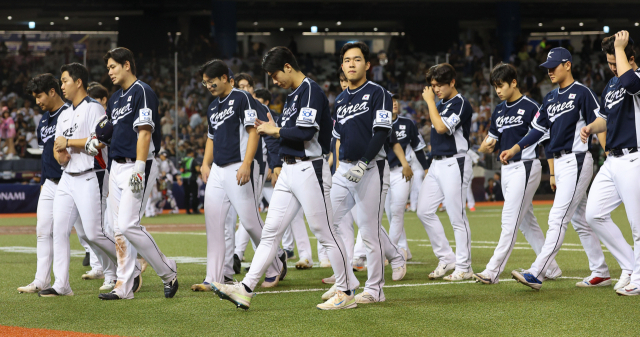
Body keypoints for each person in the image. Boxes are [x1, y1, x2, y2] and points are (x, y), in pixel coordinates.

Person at [211, 46, 358, 310]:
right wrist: (275, 135)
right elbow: (285, 131)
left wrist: (275, 129)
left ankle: (346, 291)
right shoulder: (291, 96)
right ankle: (245, 289)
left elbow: (304, 133)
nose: (274, 80)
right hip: (291, 170)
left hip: (309, 167)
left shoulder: (311, 90)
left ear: (288, 67)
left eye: (275, 74)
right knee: (270, 234)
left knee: (324, 231)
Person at [503, 47, 617, 291]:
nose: (550, 71)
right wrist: (515, 148)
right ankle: (600, 271)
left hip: (577, 159)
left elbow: (600, 122)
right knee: (580, 219)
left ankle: (537, 272)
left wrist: (608, 152)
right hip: (562, 162)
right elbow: (537, 129)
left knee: (558, 217)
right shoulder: (551, 97)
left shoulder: (582, 92)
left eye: (554, 66)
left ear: (567, 65)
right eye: (547, 68)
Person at [192, 59, 286, 293]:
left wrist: (246, 163)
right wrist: (205, 163)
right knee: (213, 222)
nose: (208, 86)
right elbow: (211, 138)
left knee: (250, 221)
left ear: (224, 77)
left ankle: (275, 264)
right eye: (205, 83)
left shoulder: (242, 97)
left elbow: (253, 131)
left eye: (210, 81)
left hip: (239, 166)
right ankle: (213, 278)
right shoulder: (213, 106)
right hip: (218, 170)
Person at [326, 41, 406, 304]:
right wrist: (336, 164)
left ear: (367, 65)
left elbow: (382, 131)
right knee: (327, 223)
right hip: (345, 168)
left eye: (357, 59)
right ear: (342, 65)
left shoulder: (378, 93)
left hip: (371, 168)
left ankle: (375, 290)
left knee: (369, 232)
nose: (351, 64)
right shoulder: (339, 99)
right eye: (347, 60)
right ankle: (346, 281)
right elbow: (336, 137)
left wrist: (363, 162)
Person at [97, 47, 177, 300]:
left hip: (137, 164)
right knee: (118, 230)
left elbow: (144, 131)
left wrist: (140, 168)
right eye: (108, 67)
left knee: (129, 225)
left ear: (127, 65)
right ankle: (124, 286)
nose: (109, 71)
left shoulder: (142, 91)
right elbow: (109, 131)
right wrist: (94, 142)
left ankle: (168, 272)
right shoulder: (116, 98)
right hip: (116, 165)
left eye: (113, 66)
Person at [472, 63, 561, 285]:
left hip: (526, 165)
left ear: (514, 82)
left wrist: (552, 173)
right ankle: (550, 266)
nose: (498, 91)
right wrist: (485, 146)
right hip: (507, 169)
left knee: (509, 220)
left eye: (501, 85)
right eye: (495, 87)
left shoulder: (531, 107)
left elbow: (546, 140)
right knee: (525, 221)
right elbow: (489, 140)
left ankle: (492, 271)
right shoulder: (499, 110)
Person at [38, 63, 118, 297]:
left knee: (94, 234)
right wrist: (59, 154)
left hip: (89, 175)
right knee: (59, 230)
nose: (61, 86)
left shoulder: (94, 108)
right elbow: (57, 147)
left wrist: (68, 144)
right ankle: (61, 284)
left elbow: (98, 143)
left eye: (64, 81)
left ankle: (129, 265)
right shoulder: (64, 114)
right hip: (67, 177)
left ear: (78, 82)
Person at [581, 31, 638, 295]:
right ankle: (630, 265)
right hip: (612, 159)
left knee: (637, 224)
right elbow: (605, 117)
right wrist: (591, 127)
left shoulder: (634, 77)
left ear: (630, 57)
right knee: (594, 213)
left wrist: (620, 47)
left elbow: (631, 82)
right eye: (609, 62)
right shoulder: (612, 85)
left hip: (634, 156)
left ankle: (638, 277)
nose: (612, 67)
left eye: (615, 61)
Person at [417, 64, 474, 281]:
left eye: (440, 84)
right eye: (433, 85)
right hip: (437, 163)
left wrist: (430, 102)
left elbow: (442, 129)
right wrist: (434, 103)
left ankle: (464, 266)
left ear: (452, 82)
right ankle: (447, 257)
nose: (436, 89)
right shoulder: (440, 103)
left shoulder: (461, 103)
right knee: (423, 210)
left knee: (456, 217)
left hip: (455, 162)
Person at [180, 148, 200, 214]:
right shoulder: (192, 160)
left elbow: (181, 169)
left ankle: (187, 210)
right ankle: (195, 210)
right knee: (194, 195)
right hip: (192, 178)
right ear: (191, 153)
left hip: (185, 178)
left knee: (187, 195)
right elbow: (197, 169)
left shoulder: (183, 160)